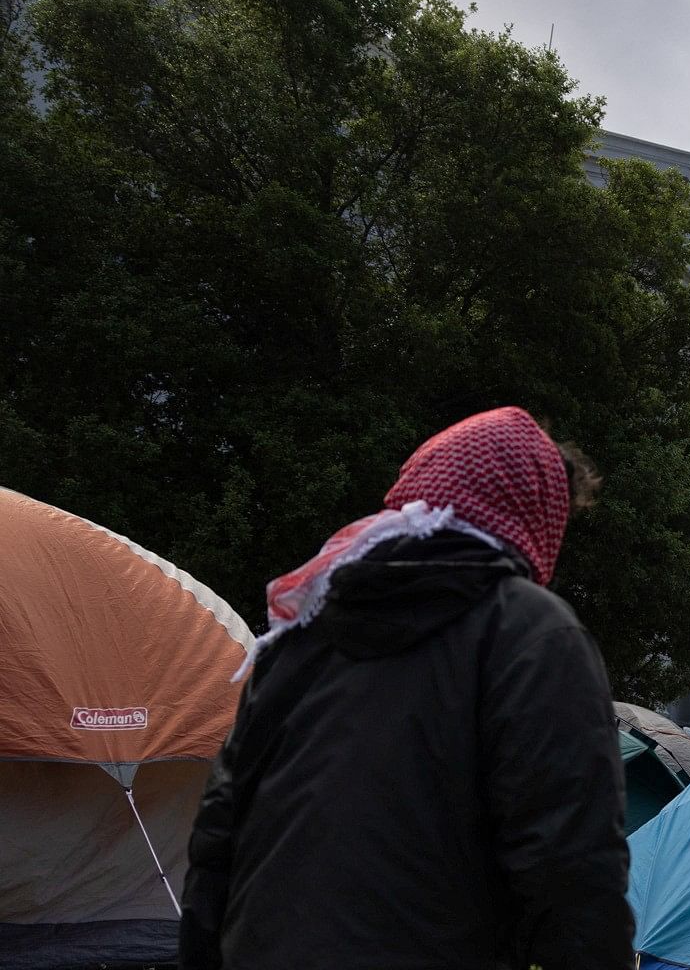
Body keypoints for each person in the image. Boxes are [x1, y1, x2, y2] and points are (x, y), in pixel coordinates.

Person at [179, 408, 632, 970]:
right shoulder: (533, 633)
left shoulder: (305, 627)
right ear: (537, 518)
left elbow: (218, 831)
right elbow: (572, 866)